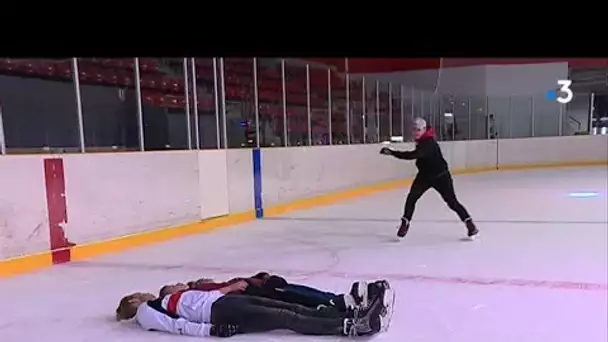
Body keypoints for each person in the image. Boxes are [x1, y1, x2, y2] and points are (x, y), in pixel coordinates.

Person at [115, 278, 391, 338]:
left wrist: (226, 290)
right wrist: (211, 331)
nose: (140, 293)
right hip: (219, 312)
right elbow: (176, 326)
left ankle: (350, 314)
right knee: (286, 316)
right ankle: (351, 326)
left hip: (223, 303)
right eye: (135, 295)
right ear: (132, 304)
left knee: (286, 306)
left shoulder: (165, 299)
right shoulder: (146, 311)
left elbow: (196, 301)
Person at [380, 117, 479, 239]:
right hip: (424, 176)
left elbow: (413, 155)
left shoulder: (428, 143)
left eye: (418, 130)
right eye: (414, 130)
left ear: (424, 130)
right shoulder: (422, 141)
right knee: (412, 198)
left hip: (441, 176)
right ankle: (405, 223)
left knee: (452, 202)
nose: (415, 132)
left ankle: (470, 224)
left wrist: (392, 152)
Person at [173, 272, 389, 315]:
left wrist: (259, 276)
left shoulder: (198, 291)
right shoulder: (194, 295)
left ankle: (341, 301)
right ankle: (342, 305)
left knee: (296, 292)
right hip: (251, 296)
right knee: (295, 297)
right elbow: (225, 292)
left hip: (255, 289)